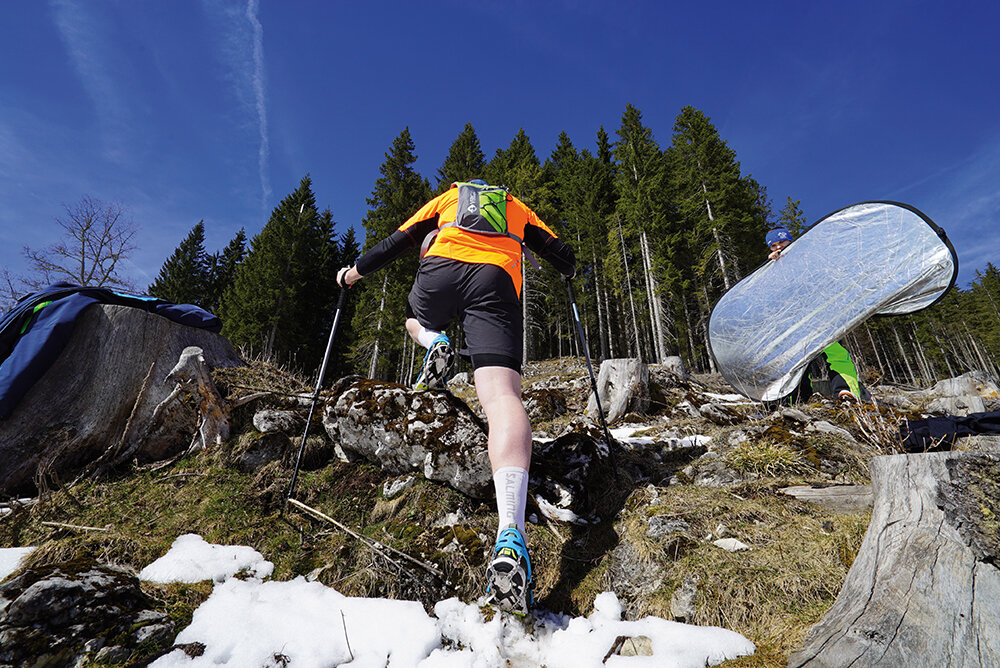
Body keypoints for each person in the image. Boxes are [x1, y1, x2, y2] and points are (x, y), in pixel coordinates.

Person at [337, 179, 575, 615]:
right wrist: (570, 269)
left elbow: (399, 241)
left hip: (440, 270)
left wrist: (353, 272)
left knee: (413, 317)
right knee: (501, 396)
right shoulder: (515, 206)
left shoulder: (449, 198)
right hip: (495, 280)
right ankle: (510, 532)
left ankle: (434, 341)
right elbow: (559, 251)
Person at [765, 226, 865, 402]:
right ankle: (798, 399)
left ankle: (846, 391)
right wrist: (772, 266)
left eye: (782, 242)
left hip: (821, 318)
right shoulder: (771, 269)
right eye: (773, 245)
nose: (778, 247)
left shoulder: (808, 257)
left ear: (790, 241)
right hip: (793, 322)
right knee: (796, 363)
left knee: (835, 353)